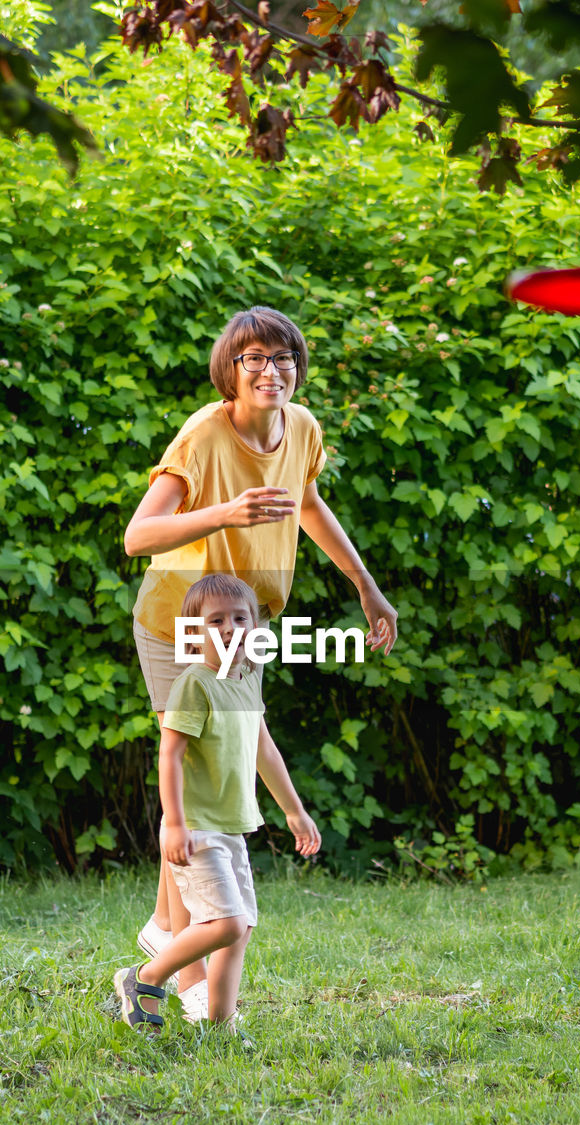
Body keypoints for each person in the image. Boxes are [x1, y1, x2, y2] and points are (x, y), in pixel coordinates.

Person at [124, 305, 397, 1019]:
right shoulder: (206, 434)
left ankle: (166, 927)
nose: (271, 371)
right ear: (230, 371)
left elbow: (309, 504)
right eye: (254, 359)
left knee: (234, 758)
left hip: (245, 625)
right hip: (181, 624)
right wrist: (225, 514)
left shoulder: (302, 428)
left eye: (282, 358)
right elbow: (138, 535)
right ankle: (180, 963)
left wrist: (366, 587)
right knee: (203, 770)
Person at [114, 574, 321, 1030]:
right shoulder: (195, 684)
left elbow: (265, 749)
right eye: (216, 621)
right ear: (194, 632)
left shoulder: (246, 681)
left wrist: (294, 810)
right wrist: (173, 822)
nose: (230, 628)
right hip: (198, 826)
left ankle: (220, 1024)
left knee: (240, 928)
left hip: (232, 826)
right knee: (225, 924)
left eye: (240, 618)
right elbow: (170, 752)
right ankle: (144, 977)